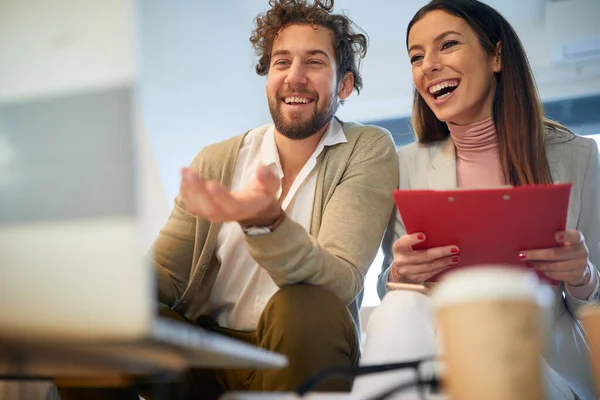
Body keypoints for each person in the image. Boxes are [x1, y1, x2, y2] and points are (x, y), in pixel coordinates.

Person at [58, 1, 398, 399]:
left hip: (300, 350)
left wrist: (267, 223)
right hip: (207, 357)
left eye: (315, 62)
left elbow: (339, 281)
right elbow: (168, 277)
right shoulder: (217, 160)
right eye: (282, 62)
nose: (295, 77)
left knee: (306, 306)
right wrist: (98, 273)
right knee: (101, 318)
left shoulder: (367, 148)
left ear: (343, 85)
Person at [353, 1, 600, 399]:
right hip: (438, 354)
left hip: (541, 359)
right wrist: (401, 276)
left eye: (446, 45)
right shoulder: (407, 164)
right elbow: (388, 290)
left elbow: (597, 304)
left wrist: (582, 275)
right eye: (416, 57)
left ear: (496, 55)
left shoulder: (579, 156)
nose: (427, 65)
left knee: (475, 324)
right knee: (400, 307)